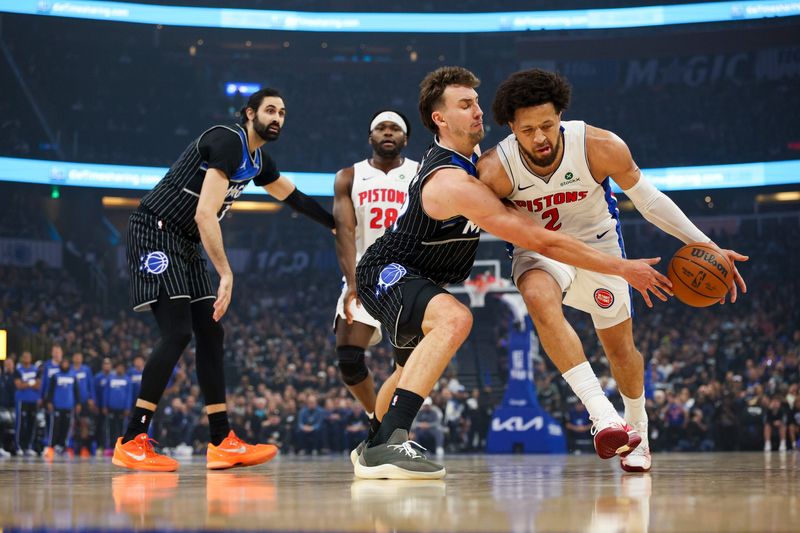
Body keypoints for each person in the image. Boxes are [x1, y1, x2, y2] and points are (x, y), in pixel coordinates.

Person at [354, 66, 671, 479]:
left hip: (423, 278)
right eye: (465, 105)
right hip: (390, 270)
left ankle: (372, 443)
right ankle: (391, 441)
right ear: (440, 118)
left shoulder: (473, 165)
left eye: (477, 103)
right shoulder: (451, 179)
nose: (478, 112)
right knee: (456, 318)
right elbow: (542, 241)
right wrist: (621, 267)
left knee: (405, 370)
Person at [477, 68, 749, 472]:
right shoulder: (495, 170)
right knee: (535, 294)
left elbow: (649, 201)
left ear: (561, 116)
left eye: (548, 125)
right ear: (511, 127)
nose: (539, 138)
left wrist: (706, 246)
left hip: (601, 247)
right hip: (542, 250)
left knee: (621, 351)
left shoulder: (600, 146)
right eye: (528, 129)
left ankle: (637, 427)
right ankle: (602, 414)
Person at [116, 87, 335, 471]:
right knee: (178, 332)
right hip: (155, 229)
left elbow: (294, 197)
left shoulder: (257, 159)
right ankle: (132, 437)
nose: (278, 119)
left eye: (283, 113)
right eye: (270, 110)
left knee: (211, 332)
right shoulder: (227, 140)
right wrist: (226, 273)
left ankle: (221, 441)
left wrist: (334, 224)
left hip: (183, 240)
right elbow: (205, 214)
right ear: (249, 114)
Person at [332, 109, 417, 456]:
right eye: (380, 128)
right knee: (349, 358)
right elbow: (345, 231)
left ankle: (396, 430)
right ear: (370, 137)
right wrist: (352, 282)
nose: (387, 132)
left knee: (407, 366)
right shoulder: (349, 176)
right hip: (365, 275)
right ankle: (374, 419)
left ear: (405, 138)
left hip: (407, 276)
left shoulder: (418, 173)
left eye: (394, 128)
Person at [44, 358, 81, 459]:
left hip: (68, 406)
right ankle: (51, 446)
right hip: (57, 406)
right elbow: (50, 390)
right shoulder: (55, 376)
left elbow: (76, 391)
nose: (65, 364)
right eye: (63, 363)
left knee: (66, 427)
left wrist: (78, 403)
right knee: (55, 427)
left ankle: (62, 446)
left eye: (66, 363)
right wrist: (49, 401)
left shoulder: (73, 376)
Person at [13, 351, 40, 456]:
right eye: (24, 357)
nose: (26, 358)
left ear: (31, 358)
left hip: (33, 400)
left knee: (32, 424)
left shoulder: (36, 369)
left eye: (28, 356)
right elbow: (19, 386)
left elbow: (38, 385)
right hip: (21, 400)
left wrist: (26, 383)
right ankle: (18, 446)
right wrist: (31, 383)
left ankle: (29, 447)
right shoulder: (18, 370)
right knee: (20, 424)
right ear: (22, 358)